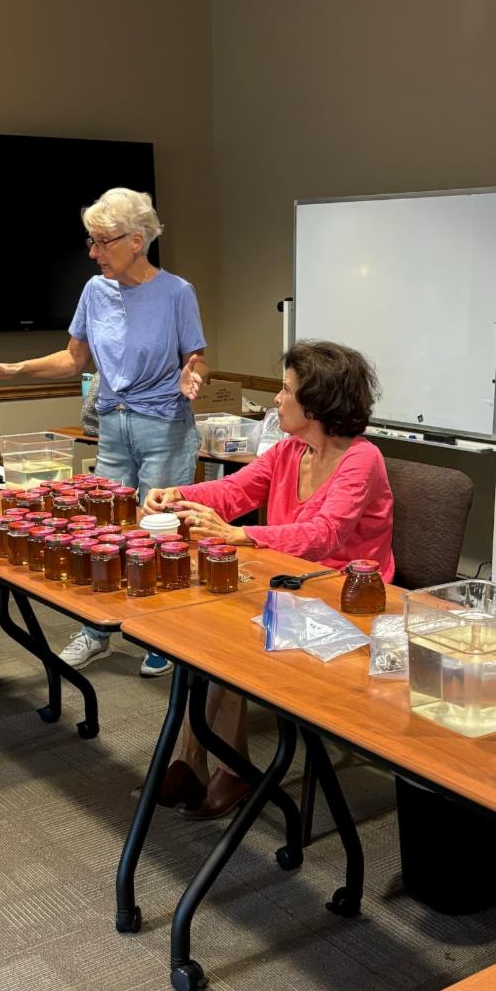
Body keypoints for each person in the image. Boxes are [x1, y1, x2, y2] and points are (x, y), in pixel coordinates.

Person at [144, 340, 394, 818]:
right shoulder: (290, 450)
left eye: (286, 390)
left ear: (316, 404)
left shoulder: (362, 459)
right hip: (289, 584)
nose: (277, 399)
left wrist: (238, 536)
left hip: (348, 598)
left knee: (225, 637)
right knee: (206, 628)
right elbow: (234, 491)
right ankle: (203, 763)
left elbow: (324, 535)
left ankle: (221, 767)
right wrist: (176, 494)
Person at [0, 187, 206, 678]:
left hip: (163, 424)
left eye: (102, 242)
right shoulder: (95, 291)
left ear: (136, 240)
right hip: (112, 423)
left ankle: (161, 636)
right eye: (91, 242)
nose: (94, 253)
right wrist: (16, 370)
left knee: (158, 528)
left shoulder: (177, 292)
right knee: (102, 528)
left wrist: (192, 375)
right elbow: (74, 358)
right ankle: (97, 630)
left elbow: (195, 357)